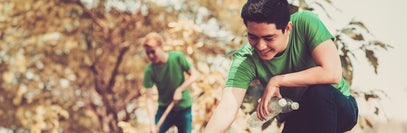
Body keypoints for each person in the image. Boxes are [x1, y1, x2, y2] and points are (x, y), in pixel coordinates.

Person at [205, 0, 358, 132]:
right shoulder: (246, 59)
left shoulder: (305, 23)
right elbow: (227, 108)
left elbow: (332, 73)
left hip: (338, 109)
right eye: (252, 37)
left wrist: (278, 80)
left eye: (269, 38)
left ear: (287, 28)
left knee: (319, 93)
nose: (260, 46)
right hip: (298, 118)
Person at [141, 32, 199, 133]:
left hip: (183, 108)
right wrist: (152, 124)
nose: (150, 56)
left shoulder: (177, 58)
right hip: (164, 109)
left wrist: (179, 90)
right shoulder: (149, 71)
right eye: (147, 53)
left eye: (153, 51)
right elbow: (149, 98)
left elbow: (195, 75)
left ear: (161, 47)